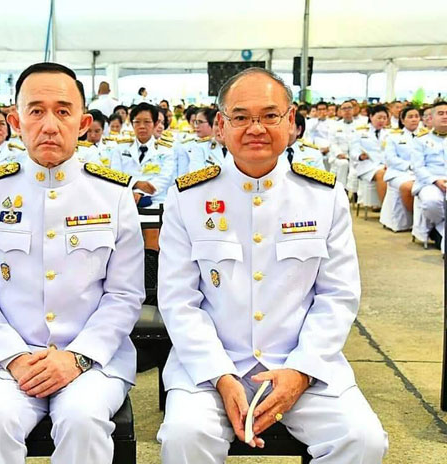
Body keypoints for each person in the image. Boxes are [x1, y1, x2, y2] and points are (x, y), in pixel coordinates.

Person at [156, 67, 388, 464]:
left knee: (363, 440)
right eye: (241, 117)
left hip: (301, 362)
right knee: (184, 436)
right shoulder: (188, 197)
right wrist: (219, 373)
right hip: (213, 367)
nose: (255, 128)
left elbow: (338, 296)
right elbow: (179, 300)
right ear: (220, 126)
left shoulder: (323, 195)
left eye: (269, 115)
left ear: (292, 121)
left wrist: (300, 371)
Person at [0, 62, 144, 464]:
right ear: (16, 121)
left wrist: (77, 357)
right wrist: (15, 357)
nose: (50, 124)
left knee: (82, 420)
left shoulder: (112, 195)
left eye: (63, 110)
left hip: (93, 360)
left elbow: (124, 295)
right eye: (36, 111)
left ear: (83, 122)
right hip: (5, 360)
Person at [110, 102, 174, 205]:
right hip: (124, 200)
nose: (142, 126)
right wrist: (136, 184)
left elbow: (164, 179)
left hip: (156, 202)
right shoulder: (120, 148)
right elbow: (116, 175)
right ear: (132, 124)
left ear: (156, 124)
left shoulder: (165, 150)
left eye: (147, 122)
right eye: (137, 122)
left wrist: (140, 192)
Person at [411, 101, 447, 238]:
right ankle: (440, 226)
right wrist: (436, 180)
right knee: (431, 202)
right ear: (431, 118)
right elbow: (418, 167)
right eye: (441, 113)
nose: (445, 116)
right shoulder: (420, 140)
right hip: (429, 182)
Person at [384, 106, 423, 213]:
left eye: (416, 116)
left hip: (422, 172)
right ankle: (416, 218)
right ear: (403, 120)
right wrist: (409, 165)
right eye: (410, 117)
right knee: (409, 187)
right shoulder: (393, 136)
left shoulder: (426, 136)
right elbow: (390, 158)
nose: (414, 119)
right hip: (399, 172)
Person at [350, 105, 390, 202]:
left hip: (385, 164)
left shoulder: (389, 133)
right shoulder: (360, 131)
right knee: (381, 174)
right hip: (366, 165)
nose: (382, 121)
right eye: (379, 118)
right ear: (371, 117)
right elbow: (353, 150)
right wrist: (360, 156)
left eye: (384, 118)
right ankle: (385, 209)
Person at [328, 100, 359, 187]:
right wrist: (339, 153)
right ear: (340, 111)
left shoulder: (360, 126)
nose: (347, 110)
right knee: (343, 164)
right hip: (339, 155)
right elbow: (332, 143)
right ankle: (341, 190)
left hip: (355, 156)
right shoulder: (334, 126)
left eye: (349, 108)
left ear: (353, 110)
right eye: (344, 108)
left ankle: (353, 195)